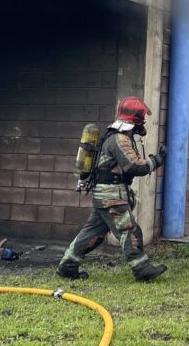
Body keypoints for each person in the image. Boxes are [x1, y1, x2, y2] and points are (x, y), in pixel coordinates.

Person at [57, 96, 167, 282]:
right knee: (130, 231)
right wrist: (157, 160)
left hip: (105, 195)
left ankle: (67, 265)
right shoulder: (119, 139)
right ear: (135, 119)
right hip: (111, 196)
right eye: (141, 118)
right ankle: (142, 269)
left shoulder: (116, 136)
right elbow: (135, 167)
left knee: (94, 233)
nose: (144, 122)